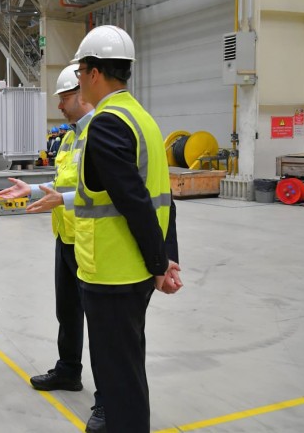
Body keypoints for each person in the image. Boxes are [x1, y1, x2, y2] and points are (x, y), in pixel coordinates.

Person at [71, 25, 182, 433]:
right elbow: (164, 197)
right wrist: (165, 258)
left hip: (112, 274)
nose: (79, 80)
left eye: (80, 72)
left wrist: (160, 264)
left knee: (118, 380)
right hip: (133, 272)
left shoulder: (107, 123)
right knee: (128, 367)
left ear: (94, 72)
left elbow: (135, 201)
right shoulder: (142, 119)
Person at [0, 63, 101, 420]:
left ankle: (107, 396)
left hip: (94, 240)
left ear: (81, 94)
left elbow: (104, 190)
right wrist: (31, 190)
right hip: (67, 237)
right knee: (68, 311)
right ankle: (69, 370)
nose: (59, 106)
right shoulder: (71, 138)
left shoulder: (100, 133)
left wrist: (63, 199)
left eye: (64, 98)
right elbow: (64, 184)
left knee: (100, 322)